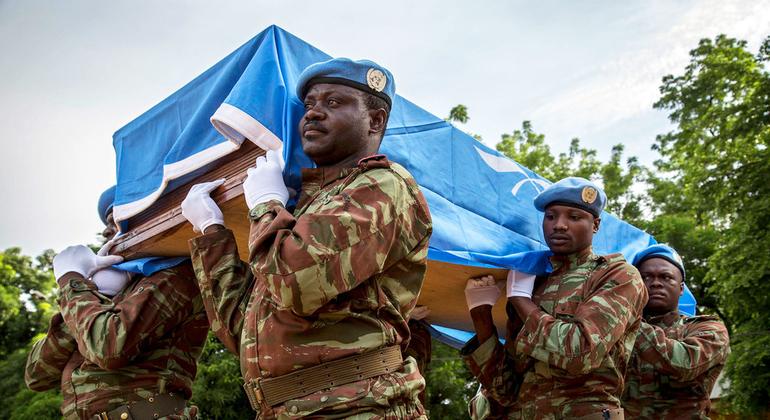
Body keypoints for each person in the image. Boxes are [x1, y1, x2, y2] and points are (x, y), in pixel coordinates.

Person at [181, 58, 432, 418]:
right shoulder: (302, 212)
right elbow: (242, 331)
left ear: (375, 120)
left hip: (358, 407)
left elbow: (293, 281)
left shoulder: (385, 185)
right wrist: (212, 232)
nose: (312, 114)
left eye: (333, 103)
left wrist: (266, 206)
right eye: (310, 105)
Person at [461, 177, 647, 419]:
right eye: (551, 216)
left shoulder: (617, 275)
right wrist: (480, 312)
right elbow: (505, 390)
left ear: (596, 225)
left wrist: (520, 300)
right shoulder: (535, 280)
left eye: (574, 217)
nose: (559, 225)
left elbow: (580, 354)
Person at [25, 186, 209, 419]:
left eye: (119, 220)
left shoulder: (176, 273)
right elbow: (37, 375)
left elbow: (110, 348)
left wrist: (71, 282)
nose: (106, 232)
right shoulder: (99, 292)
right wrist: (96, 293)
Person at [622, 244, 730, 419]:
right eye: (646, 277)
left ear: (681, 288)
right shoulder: (615, 331)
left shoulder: (708, 328)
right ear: (635, 285)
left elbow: (683, 364)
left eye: (666, 277)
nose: (656, 283)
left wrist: (628, 318)